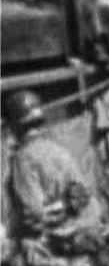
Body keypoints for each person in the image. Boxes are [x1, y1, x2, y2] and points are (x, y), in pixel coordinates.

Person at [3, 89, 103, 243]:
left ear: (14, 126)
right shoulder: (58, 149)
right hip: (87, 231)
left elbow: (34, 213)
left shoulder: (23, 159)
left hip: (59, 240)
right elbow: (85, 198)